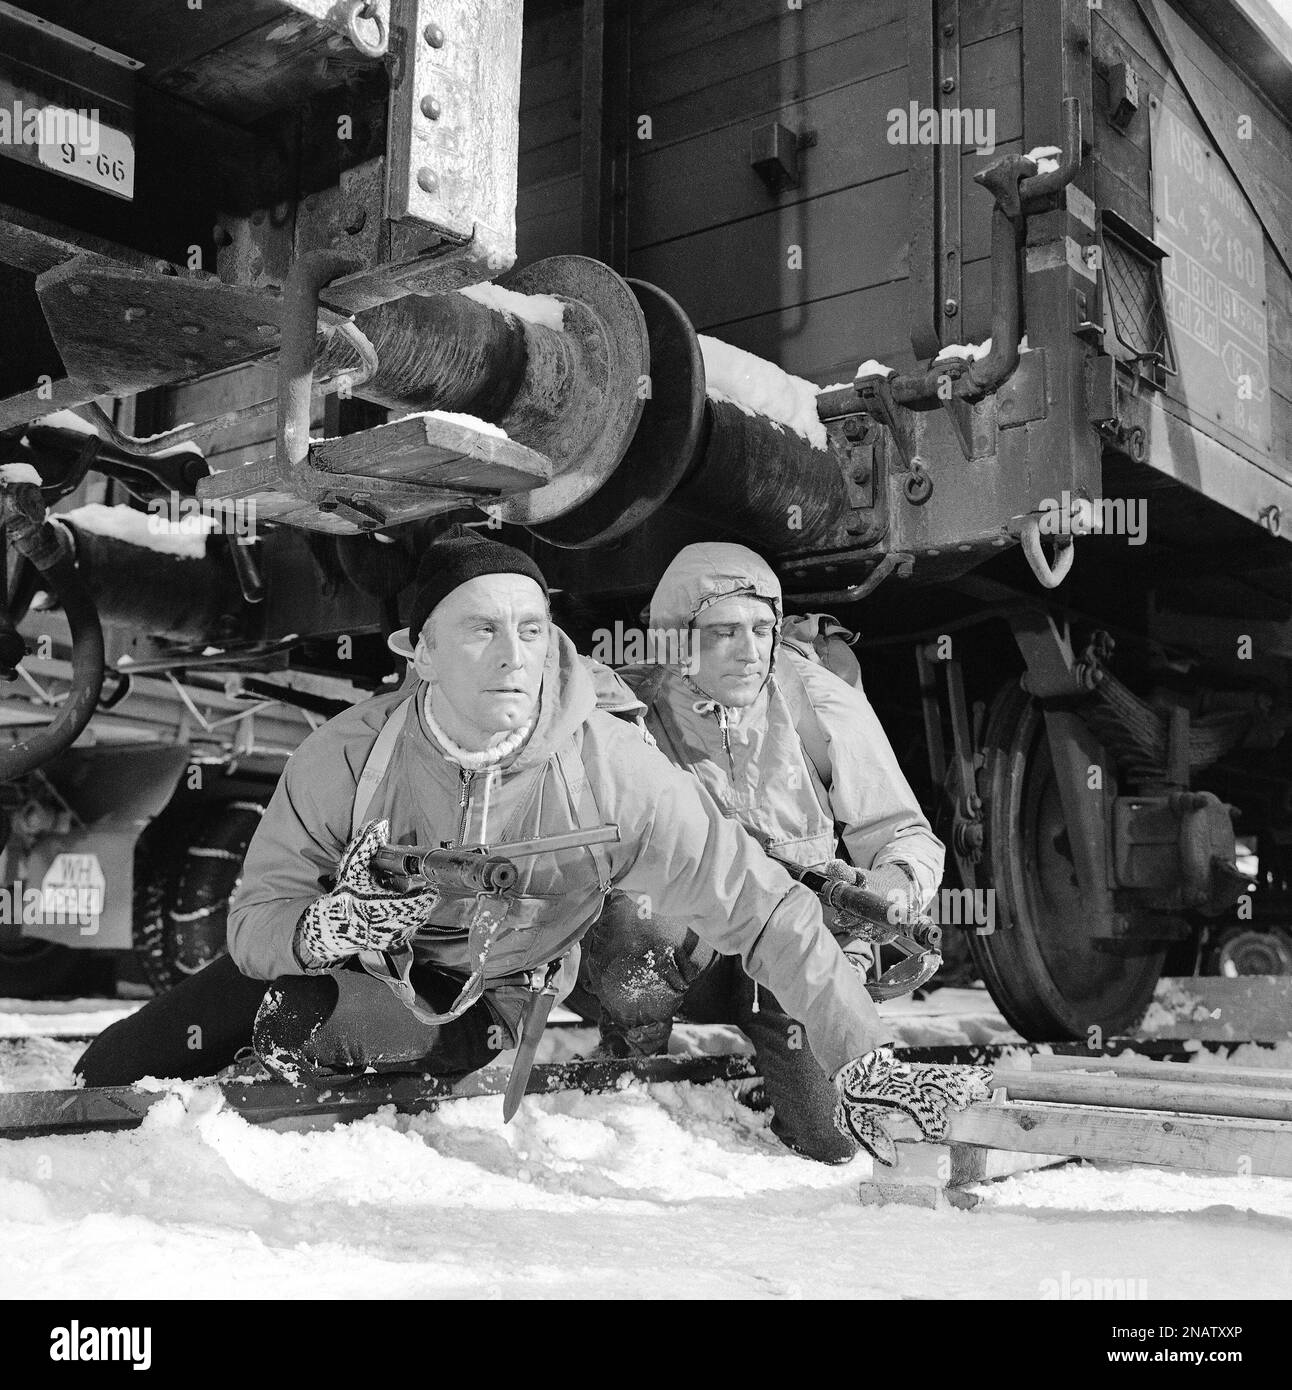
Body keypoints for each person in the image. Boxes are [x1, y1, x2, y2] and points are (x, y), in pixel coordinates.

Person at [76, 535, 988, 1165]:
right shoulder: (350, 757)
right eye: (481, 629)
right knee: (111, 1073)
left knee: (338, 1047)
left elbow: (766, 911)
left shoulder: (613, 771)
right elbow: (254, 922)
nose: (515, 655)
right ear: (421, 653)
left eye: (529, 628)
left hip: (494, 993)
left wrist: (865, 1057)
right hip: (365, 957)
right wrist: (329, 925)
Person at [569, 542, 947, 1163]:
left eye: (762, 629)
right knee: (637, 912)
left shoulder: (814, 699)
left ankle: (767, 1090)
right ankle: (630, 1072)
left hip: (793, 953)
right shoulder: (628, 710)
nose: (750, 651)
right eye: (723, 633)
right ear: (676, 643)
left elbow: (901, 830)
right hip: (685, 950)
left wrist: (894, 885)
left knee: (830, 1140)